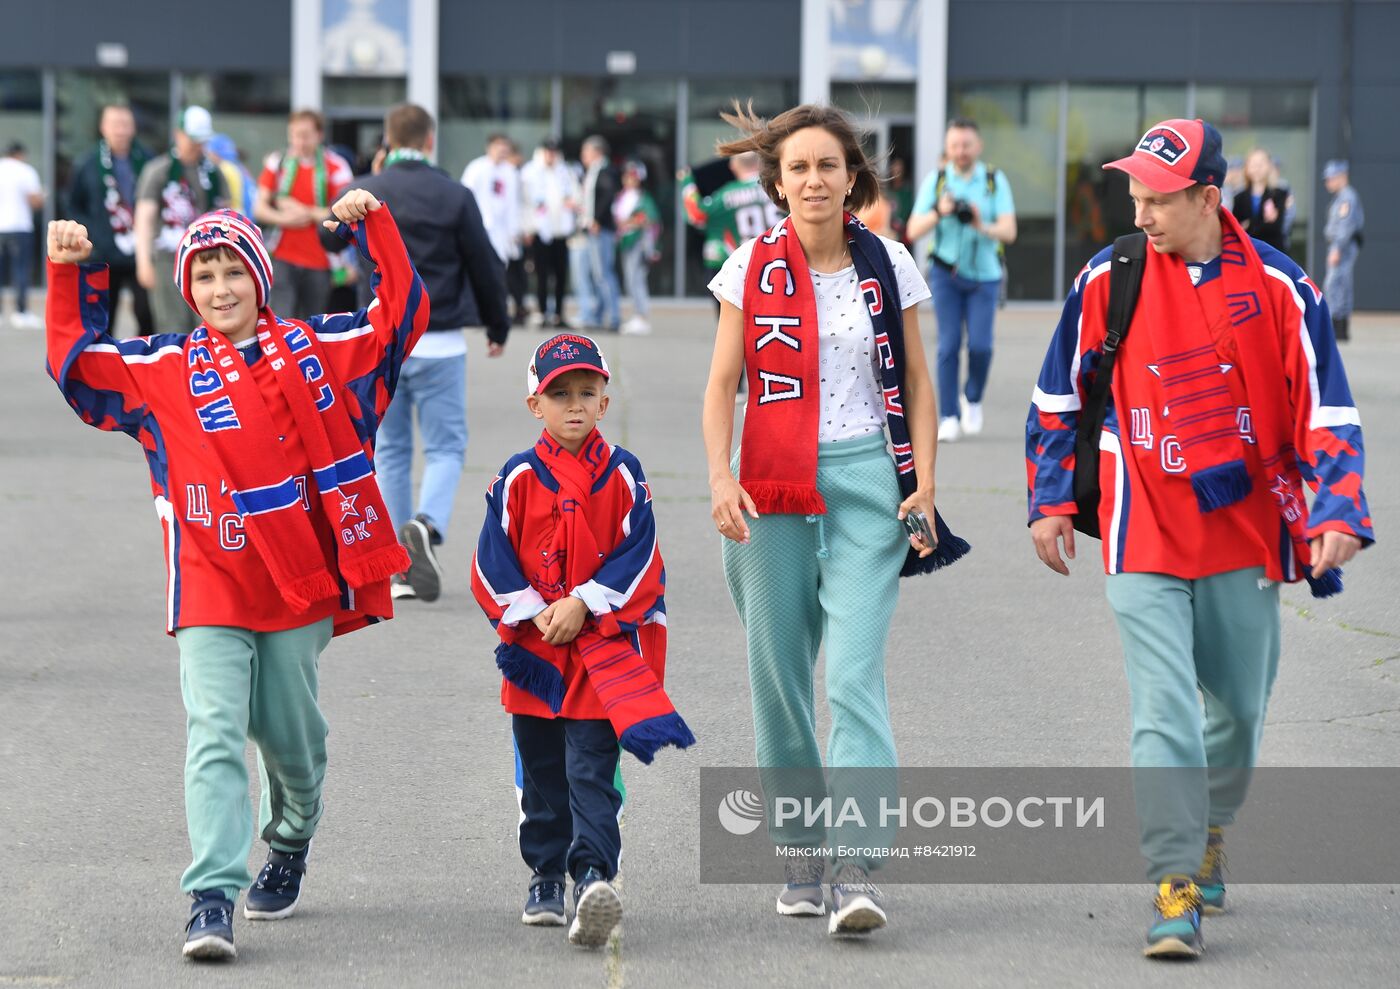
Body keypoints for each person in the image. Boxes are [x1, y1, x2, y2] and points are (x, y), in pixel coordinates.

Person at [44, 191, 429, 961]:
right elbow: (79, 367)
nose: (221, 288)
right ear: (188, 288)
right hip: (209, 582)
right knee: (215, 733)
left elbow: (399, 317)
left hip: (300, 586)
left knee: (294, 747)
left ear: (261, 277)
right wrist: (64, 273)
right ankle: (210, 895)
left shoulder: (321, 348)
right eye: (206, 274)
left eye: (233, 271)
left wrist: (373, 227)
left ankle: (289, 837)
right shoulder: (161, 366)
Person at [1026, 118, 1372, 960]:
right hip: (1141, 520)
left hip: (1244, 529)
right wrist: (1048, 500)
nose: (1139, 213)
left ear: (1209, 197)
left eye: (1158, 200)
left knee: (1241, 711)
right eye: (1134, 197)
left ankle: (1211, 822)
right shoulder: (1110, 276)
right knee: (1164, 708)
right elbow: (1057, 396)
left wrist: (1337, 511)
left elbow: (1329, 408)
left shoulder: (1286, 288)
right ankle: (1174, 877)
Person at [702, 102, 967, 936]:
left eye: (828, 165)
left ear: (854, 177)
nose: (813, 180)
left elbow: (921, 383)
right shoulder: (750, 264)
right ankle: (800, 848)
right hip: (769, 485)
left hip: (868, 484)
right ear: (776, 183)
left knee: (853, 672)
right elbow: (722, 386)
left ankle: (857, 864)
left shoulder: (888, 261)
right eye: (797, 168)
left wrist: (923, 480)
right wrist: (718, 475)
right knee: (778, 678)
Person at [471, 332, 693, 947]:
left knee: (591, 764)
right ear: (534, 405)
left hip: (600, 644)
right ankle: (545, 871)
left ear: (603, 401)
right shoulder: (515, 477)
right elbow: (492, 558)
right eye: (559, 393)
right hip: (538, 649)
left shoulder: (623, 473)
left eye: (586, 393)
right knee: (542, 767)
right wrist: (537, 612)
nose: (573, 405)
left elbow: (641, 551)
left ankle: (592, 871)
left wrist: (585, 601)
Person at [350, 102, 511, 602]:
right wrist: (497, 324)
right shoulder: (454, 194)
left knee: (392, 451)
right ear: (428, 140)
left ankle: (399, 566)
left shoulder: (367, 191)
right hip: (439, 338)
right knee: (445, 447)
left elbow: (324, 234)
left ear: (388, 139)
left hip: (382, 341)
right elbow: (484, 264)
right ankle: (427, 522)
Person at [906, 117, 1017, 443]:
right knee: (948, 345)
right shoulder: (938, 180)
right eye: (954, 145)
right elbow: (912, 231)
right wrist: (939, 212)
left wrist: (982, 225)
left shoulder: (994, 180)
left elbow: (1009, 232)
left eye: (966, 144)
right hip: (945, 274)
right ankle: (949, 416)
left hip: (985, 275)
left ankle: (973, 396)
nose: (960, 151)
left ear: (978, 146)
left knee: (981, 347)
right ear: (948, 147)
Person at [134, 105, 227, 333]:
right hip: (168, 258)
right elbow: (144, 218)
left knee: (208, 325)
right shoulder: (159, 170)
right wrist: (143, 261)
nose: (198, 146)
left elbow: (225, 212)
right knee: (172, 326)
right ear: (178, 134)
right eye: (193, 139)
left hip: (206, 256)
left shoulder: (214, 172)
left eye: (202, 140)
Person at [255, 109, 355, 319]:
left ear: (319, 135)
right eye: (294, 135)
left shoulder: (336, 166)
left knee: (313, 325)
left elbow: (343, 212)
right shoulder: (278, 162)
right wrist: (285, 218)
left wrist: (304, 211)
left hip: (321, 261)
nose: (299, 142)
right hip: (281, 256)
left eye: (306, 135)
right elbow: (259, 209)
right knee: (280, 321)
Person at [66, 104, 155, 336]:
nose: (121, 130)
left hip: (141, 252)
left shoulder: (147, 161)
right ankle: (106, 365)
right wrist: (91, 235)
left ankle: (144, 362)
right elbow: (74, 204)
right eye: (115, 124)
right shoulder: (87, 163)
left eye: (126, 124)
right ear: (103, 127)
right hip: (104, 253)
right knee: (104, 317)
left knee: (147, 313)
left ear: (133, 128)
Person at [681, 150, 785, 316]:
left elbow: (696, 215)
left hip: (738, 268)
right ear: (759, 164)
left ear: (734, 166)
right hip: (777, 265)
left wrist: (686, 181)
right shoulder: (778, 191)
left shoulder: (726, 194)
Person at [462, 133, 527, 324]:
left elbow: (514, 204)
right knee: (477, 271)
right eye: (499, 147)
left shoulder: (511, 172)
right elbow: (466, 198)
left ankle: (497, 313)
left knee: (498, 274)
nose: (503, 151)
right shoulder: (476, 168)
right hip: (479, 228)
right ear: (490, 148)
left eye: (506, 148)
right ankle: (474, 312)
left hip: (502, 231)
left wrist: (514, 231)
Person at [521, 138, 579, 328]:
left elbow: (575, 195)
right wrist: (527, 228)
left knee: (561, 274)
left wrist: (573, 204)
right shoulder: (530, 172)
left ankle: (559, 313)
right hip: (540, 230)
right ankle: (543, 311)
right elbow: (525, 203)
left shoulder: (565, 172)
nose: (551, 155)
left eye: (554, 152)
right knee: (542, 274)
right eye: (548, 151)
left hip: (560, 231)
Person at [576, 136, 622, 332]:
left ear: (596, 152)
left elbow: (607, 195)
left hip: (600, 229)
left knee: (603, 273)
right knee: (598, 274)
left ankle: (613, 317)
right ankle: (599, 314)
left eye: (586, 152)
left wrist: (596, 219)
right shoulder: (595, 171)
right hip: (595, 228)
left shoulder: (604, 171)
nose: (583, 156)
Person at [613, 159, 661, 335]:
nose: (628, 179)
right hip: (626, 241)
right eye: (626, 176)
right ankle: (637, 315)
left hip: (638, 242)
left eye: (632, 176)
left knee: (636, 279)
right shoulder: (622, 196)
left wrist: (630, 221)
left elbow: (649, 218)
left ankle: (641, 316)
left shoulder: (642, 197)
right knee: (630, 279)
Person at [0, 142, 44, 328]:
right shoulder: (26, 171)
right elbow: (34, 201)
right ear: (20, 154)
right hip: (20, 226)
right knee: (21, 270)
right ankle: (21, 312)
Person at [1322, 159, 1364, 343]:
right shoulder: (1342, 197)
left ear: (1342, 177)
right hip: (1341, 246)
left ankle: (1337, 326)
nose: (1328, 182)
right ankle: (1340, 328)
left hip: (1342, 247)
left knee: (1335, 285)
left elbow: (1345, 226)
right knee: (1339, 284)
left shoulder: (1347, 198)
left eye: (1332, 178)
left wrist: (1337, 248)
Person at [1230, 148, 1290, 254]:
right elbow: (1236, 229)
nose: (1257, 168)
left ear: (1269, 166)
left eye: (1261, 164)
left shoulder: (1279, 194)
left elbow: (1275, 228)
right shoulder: (1239, 197)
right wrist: (1264, 221)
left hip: (1273, 251)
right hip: (1248, 252)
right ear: (1247, 168)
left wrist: (1249, 225)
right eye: (1253, 164)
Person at [207, 133, 257, 219]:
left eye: (210, 151)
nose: (208, 155)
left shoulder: (224, 168)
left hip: (234, 216)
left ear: (216, 152)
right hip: (246, 216)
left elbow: (227, 201)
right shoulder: (238, 167)